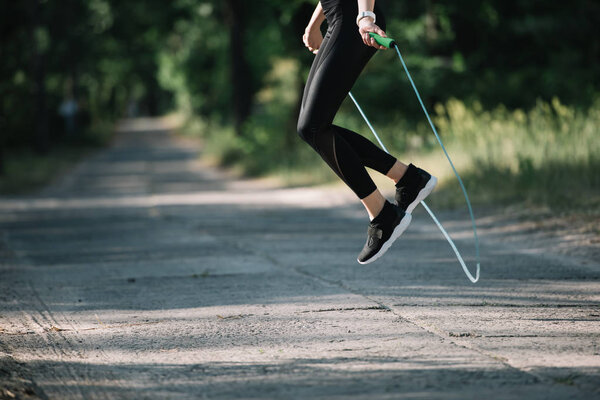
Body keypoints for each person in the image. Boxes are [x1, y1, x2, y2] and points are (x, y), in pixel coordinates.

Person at [297, 0, 437, 264]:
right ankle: (407, 179)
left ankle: (384, 212)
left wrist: (365, 16)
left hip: (352, 19)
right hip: (339, 17)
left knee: (312, 127)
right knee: (311, 127)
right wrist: (315, 22)